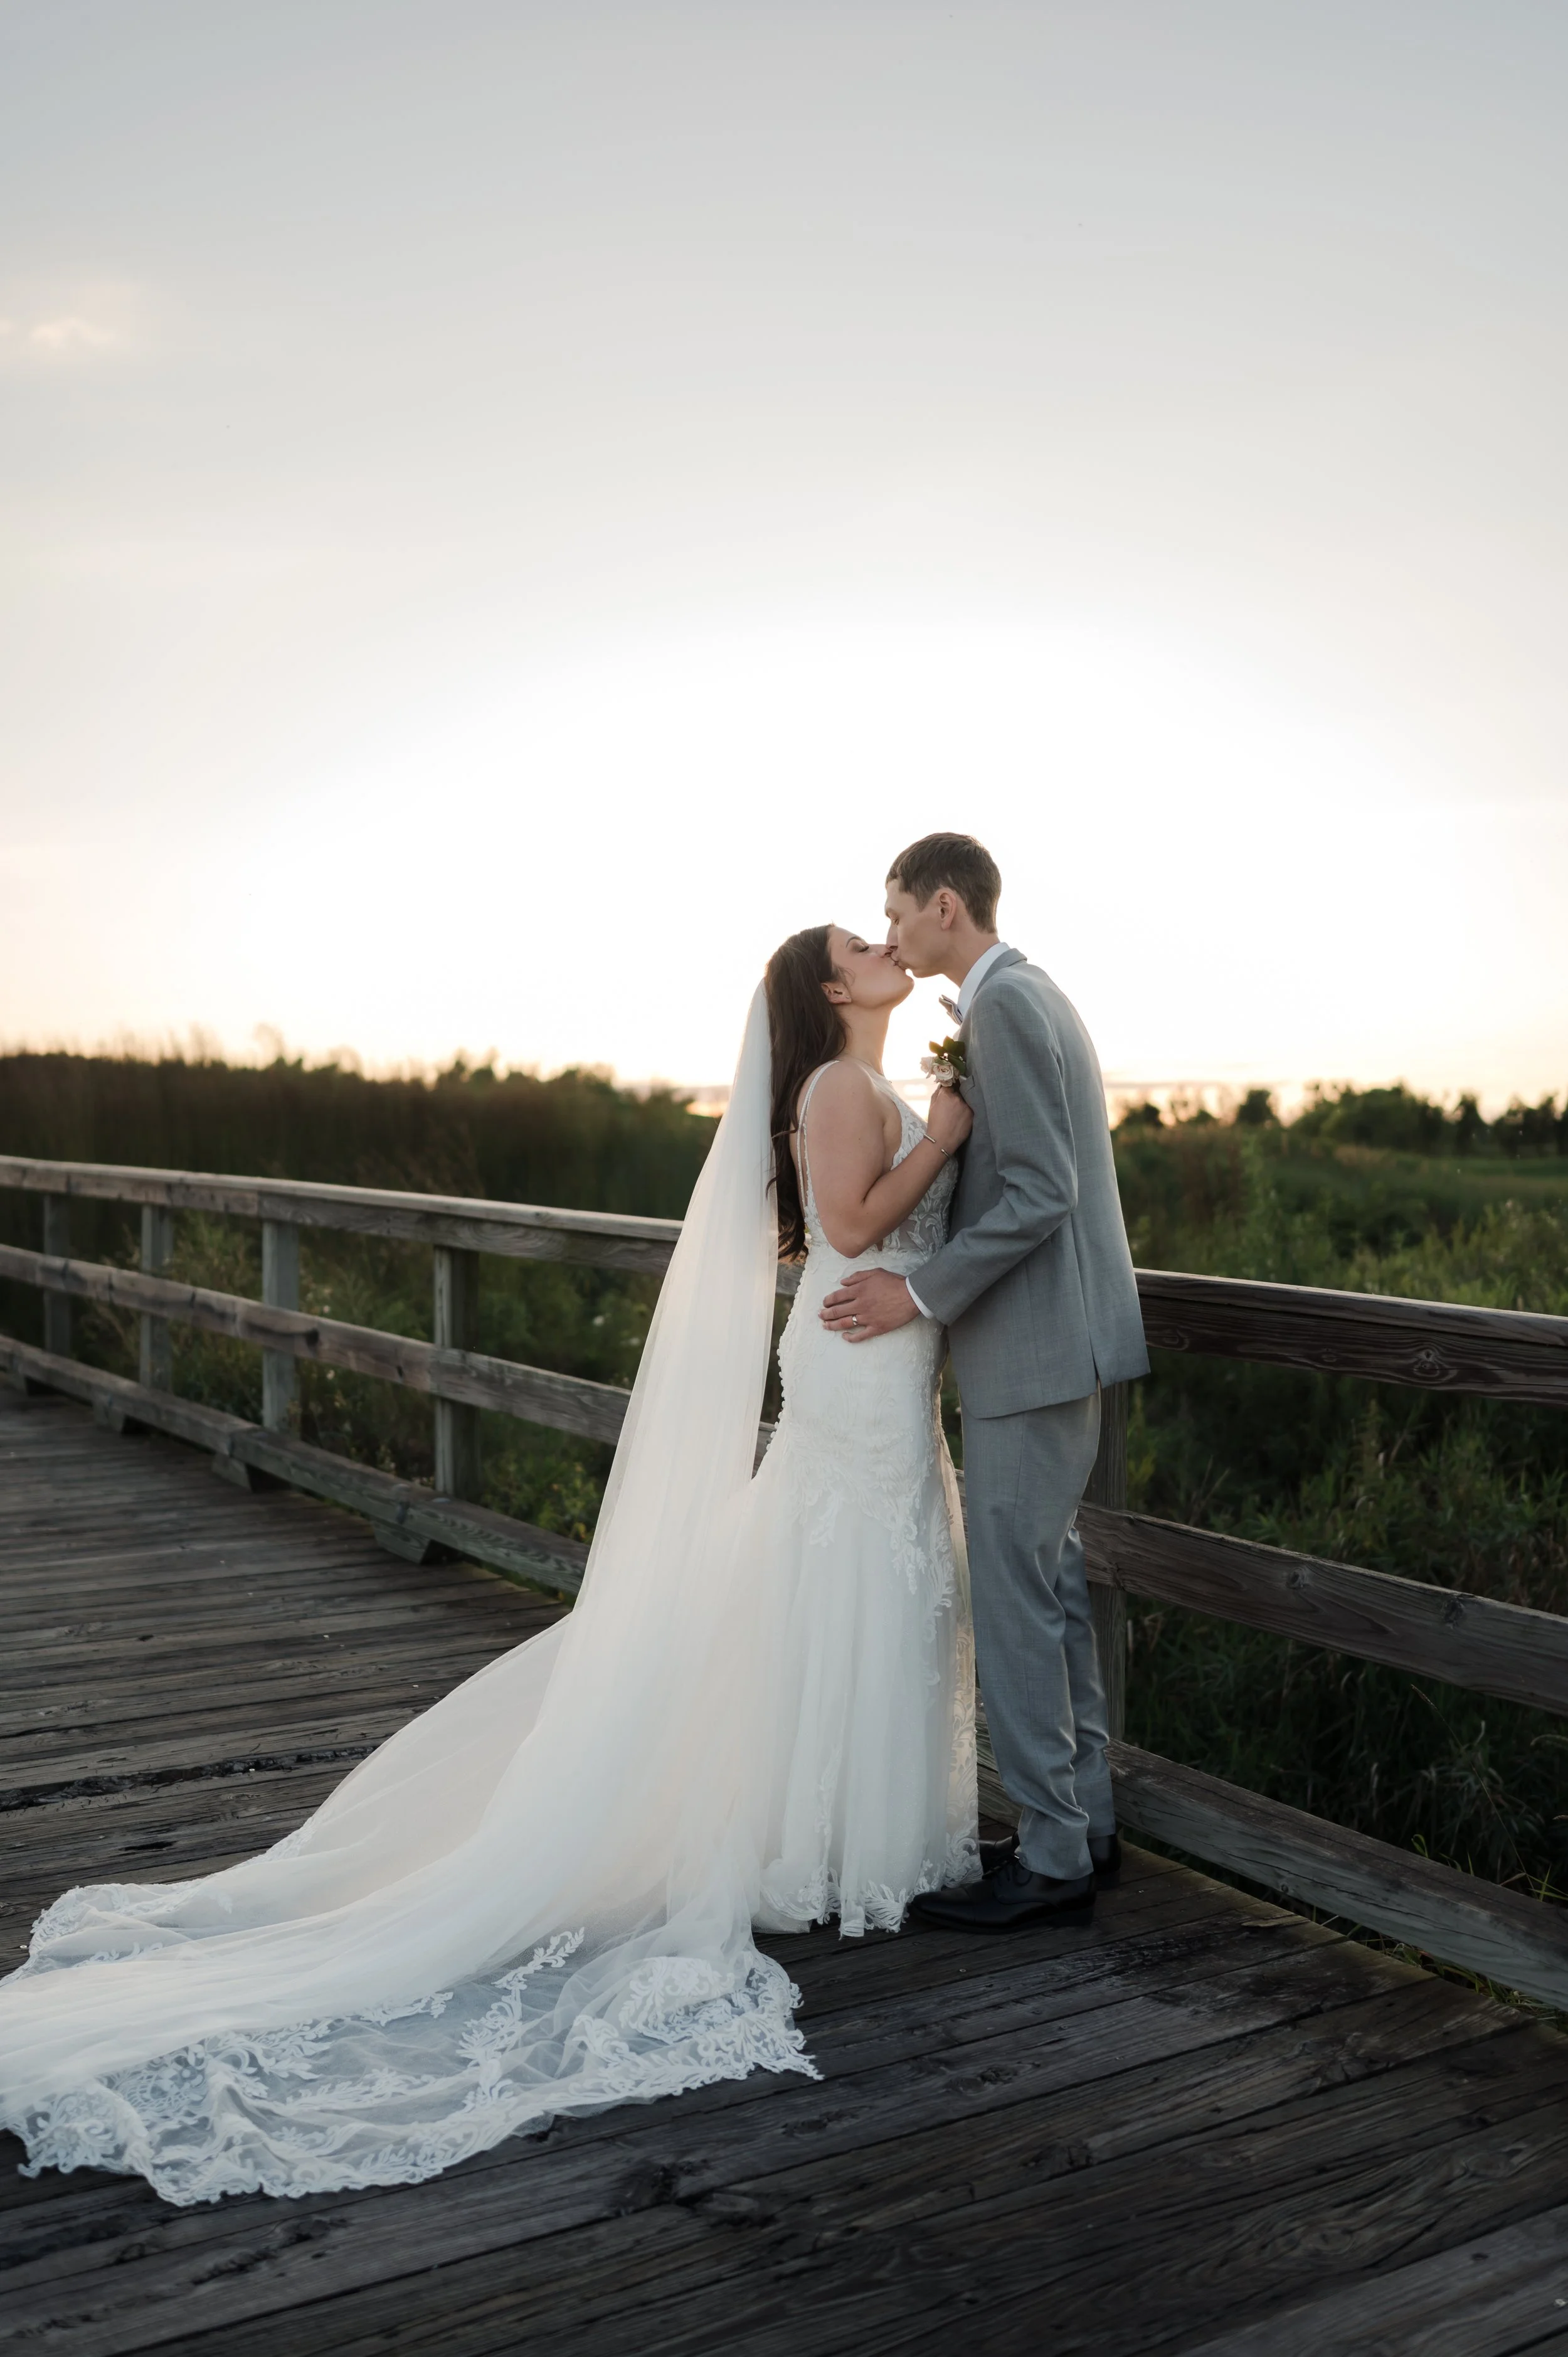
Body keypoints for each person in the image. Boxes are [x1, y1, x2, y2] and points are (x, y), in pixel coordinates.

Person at [0, 925, 975, 2206]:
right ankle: (822, 1846)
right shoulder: (841, 1086)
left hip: (876, 1363)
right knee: (834, 1571)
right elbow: (846, 1221)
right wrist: (948, 1139)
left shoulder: (861, 1081)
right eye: (859, 939)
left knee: (836, 1586)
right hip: (857, 1368)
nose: (880, 940)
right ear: (832, 988)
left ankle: (838, 1838)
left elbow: (841, 1232)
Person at [821, 833, 1150, 1929]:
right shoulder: (1021, 995)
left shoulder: (1004, 1006)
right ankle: (1083, 1824)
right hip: (1056, 1343)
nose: (896, 931)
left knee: (1013, 1596)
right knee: (1049, 1588)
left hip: (1037, 1346)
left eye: (900, 911)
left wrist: (919, 1295)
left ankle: (1053, 1859)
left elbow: (1041, 1191)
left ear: (946, 907)